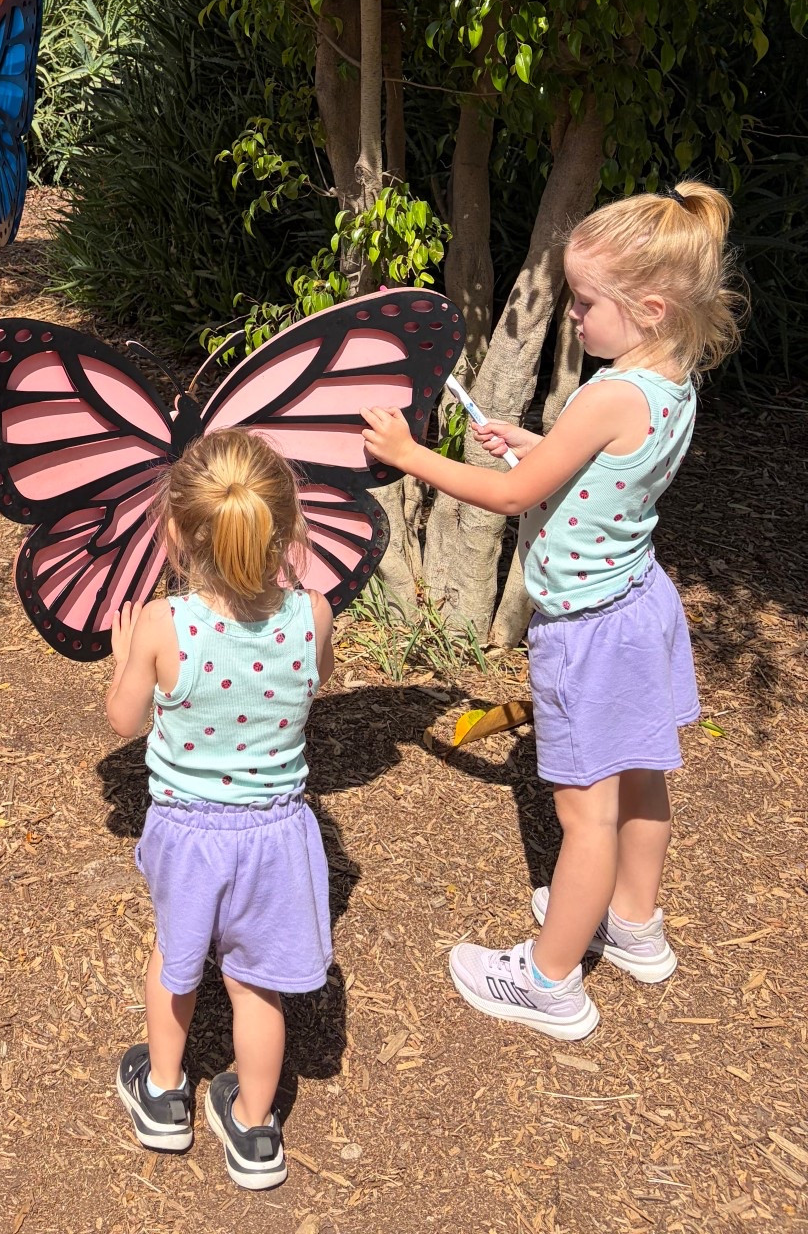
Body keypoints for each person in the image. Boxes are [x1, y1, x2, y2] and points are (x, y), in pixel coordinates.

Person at [362, 181, 741, 1040]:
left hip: (588, 631)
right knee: (642, 775)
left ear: (648, 309)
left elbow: (509, 498)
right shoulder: (671, 382)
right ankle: (635, 926)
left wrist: (410, 454)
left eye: (584, 302)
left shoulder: (606, 394)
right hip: (640, 607)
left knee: (585, 815)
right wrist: (535, 443)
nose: (573, 316)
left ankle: (549, 980)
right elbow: (606, 470)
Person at [105, 429, 335, 1191]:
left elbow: (122, 721)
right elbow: (316, 684)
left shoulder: (163, 624)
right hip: (276, 834)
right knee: (257, 983)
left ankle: (164, 1093)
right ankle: (255, 1129)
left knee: (176, 960)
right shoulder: (314, 612)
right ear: (287, 528)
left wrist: (125, 660)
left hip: (188, 834)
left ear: (175, 531)